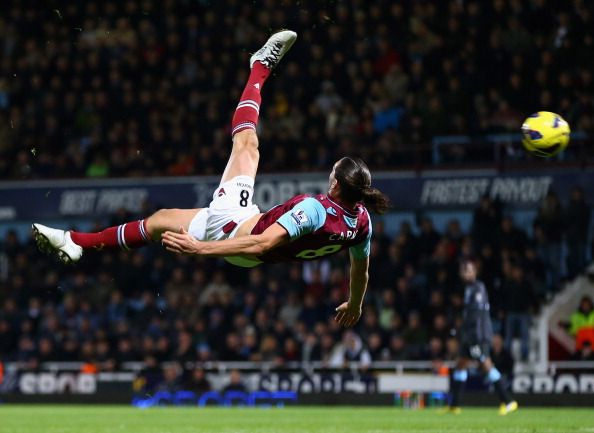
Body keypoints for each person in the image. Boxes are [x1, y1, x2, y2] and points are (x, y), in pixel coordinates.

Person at [32, 30, 389, 329]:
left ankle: (260, 67)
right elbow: (361, 270)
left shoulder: (315, 209)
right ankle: (74, 241)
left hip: (233, 233)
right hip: (244, 226)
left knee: (246, 144)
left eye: (332, 173)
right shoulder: (361, 222)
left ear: (336, 186)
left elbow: (262, 244)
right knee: (158, 221)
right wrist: (355, 305)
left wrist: (200, 250)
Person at [445, 259, 518, 415]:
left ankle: (509, 401)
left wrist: (471, 336)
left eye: (469, 270)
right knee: (460, 365)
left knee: (486, 365)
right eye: (464, 270)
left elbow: (476, 315)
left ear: (475, 272)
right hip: (469, 334)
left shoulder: (478, 288)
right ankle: (455, 405)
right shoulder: (468, 289)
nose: (466, 273)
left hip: (478, 335)